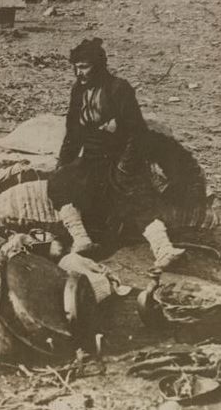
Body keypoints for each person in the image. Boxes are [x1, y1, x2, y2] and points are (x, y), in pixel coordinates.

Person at [47, 38, 185, 270]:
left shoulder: (118, 89)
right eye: (76, 67)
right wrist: (64, 163)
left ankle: (164, 250)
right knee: (58, 183)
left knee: (134, 199)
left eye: (84, 67)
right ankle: (81, 239)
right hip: (92, 158)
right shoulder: (78, 91)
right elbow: (73, 133)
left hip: (122, 156)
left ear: (99, 65)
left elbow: (137, 131)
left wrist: (125, 167)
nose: (79, 73)